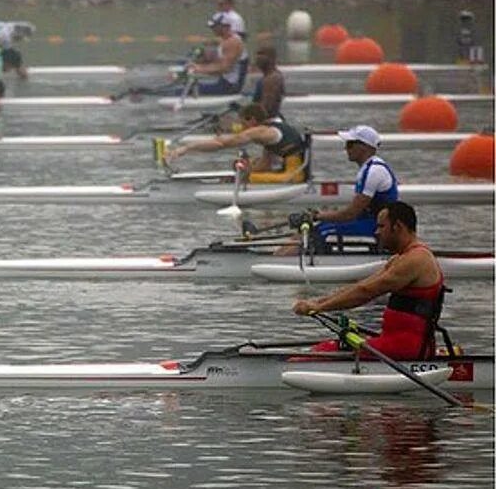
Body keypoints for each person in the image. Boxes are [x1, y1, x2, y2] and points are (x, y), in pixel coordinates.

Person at [293, 201, 446, 361]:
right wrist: (316, 302)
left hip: (406, 347)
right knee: (331, 346)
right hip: (394, 342)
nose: (376, 232)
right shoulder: (400, 258)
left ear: (398, 226)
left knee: (324, 350)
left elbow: (366, 293)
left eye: (381, 226)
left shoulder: (416, 259)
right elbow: (361, 286)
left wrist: (320, 308)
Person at [278, 125, 398, 256]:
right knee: (309, 229)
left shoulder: (374, 172)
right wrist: (319, 216)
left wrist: (316, 216)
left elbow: (350, 214)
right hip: (366, 221)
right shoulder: (367, 169)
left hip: (375, 226)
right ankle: (277, 259)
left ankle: (282, 261)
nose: (346, 148)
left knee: (318, 232)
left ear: (364, 147)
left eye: (350, 144)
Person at [164, 102, 306, 184]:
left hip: (294, 175)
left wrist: (186, 148)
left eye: (243, 122)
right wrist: (244, 171)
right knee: (246, 170)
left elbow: (221, 144)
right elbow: (265, 164)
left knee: (248, 177)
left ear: (252, 120)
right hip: (293, 168)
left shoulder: (261, 132)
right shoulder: (270, 129)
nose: (242, 127)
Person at [186, 12, 249, 95]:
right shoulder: (225, 40)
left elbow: (224, 68)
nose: (212, 29)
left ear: (225, 26)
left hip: (230, 87)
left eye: (214, 26)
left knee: (186, 90)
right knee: (189, 86)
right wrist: (202, 59)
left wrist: (199, 69)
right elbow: (219, 60)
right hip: (224, 82)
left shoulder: (233, 42)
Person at [251, 46, 285, 119]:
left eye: (262, 54)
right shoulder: (265, 78)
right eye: (257, 54)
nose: (258, 57)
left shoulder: (272, 78)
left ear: (272, 58)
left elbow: (266, 108)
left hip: (267, 121)